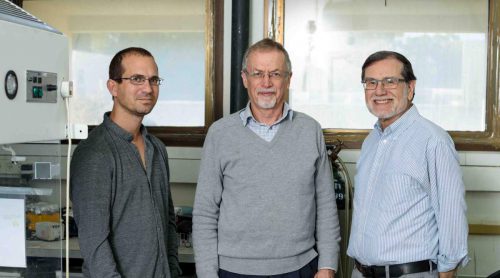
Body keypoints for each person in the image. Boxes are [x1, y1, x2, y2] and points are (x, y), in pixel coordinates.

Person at [192, 38, 341, 278]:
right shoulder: (220, 134)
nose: (266, 83)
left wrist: (327, 266)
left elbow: (325, 205)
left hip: (301, 268)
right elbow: (205, 213)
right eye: (257, 73)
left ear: (289, 79)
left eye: (275, 74)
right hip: (232, 271)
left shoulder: (310, 130)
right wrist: (207, 274)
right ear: (244, 78)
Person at [347, 51, 469, 278]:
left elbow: (452, 217)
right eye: (371, 82)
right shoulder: (371, 141)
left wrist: (447, 272)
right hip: (361, 273)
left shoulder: (433, 141)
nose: (379, 90)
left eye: (390, 81)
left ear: (410, 88)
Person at [70, 47, 180, 277]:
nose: (148, 88)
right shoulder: (94, 153)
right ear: (113, 87)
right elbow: (95, 246)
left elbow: (168, 221)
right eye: (137, 79)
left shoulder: (157, 149)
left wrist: (173, 269)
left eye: (153, 80)